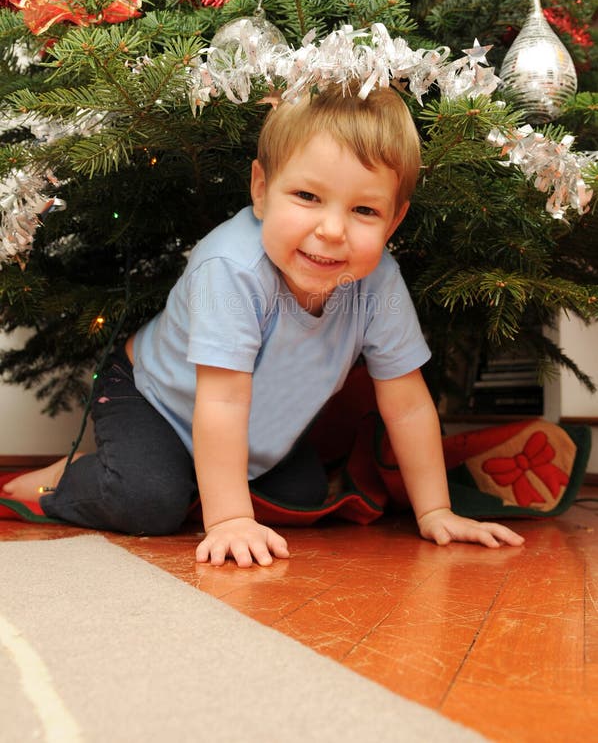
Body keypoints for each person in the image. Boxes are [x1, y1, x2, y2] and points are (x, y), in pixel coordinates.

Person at [2, 83, 524, 564]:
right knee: (149, 504)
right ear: (261, 189)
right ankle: (67, 481)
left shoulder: (378, 281)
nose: (332, 230)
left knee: (301, 495)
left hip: (246, 427)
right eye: (307, 197)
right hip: (154, 398)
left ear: (394, 221)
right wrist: (229, 521)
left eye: (364, 210)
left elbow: (407, 404)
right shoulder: (232, 268)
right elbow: (222, 398)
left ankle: (192, 480)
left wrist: (436, 511)